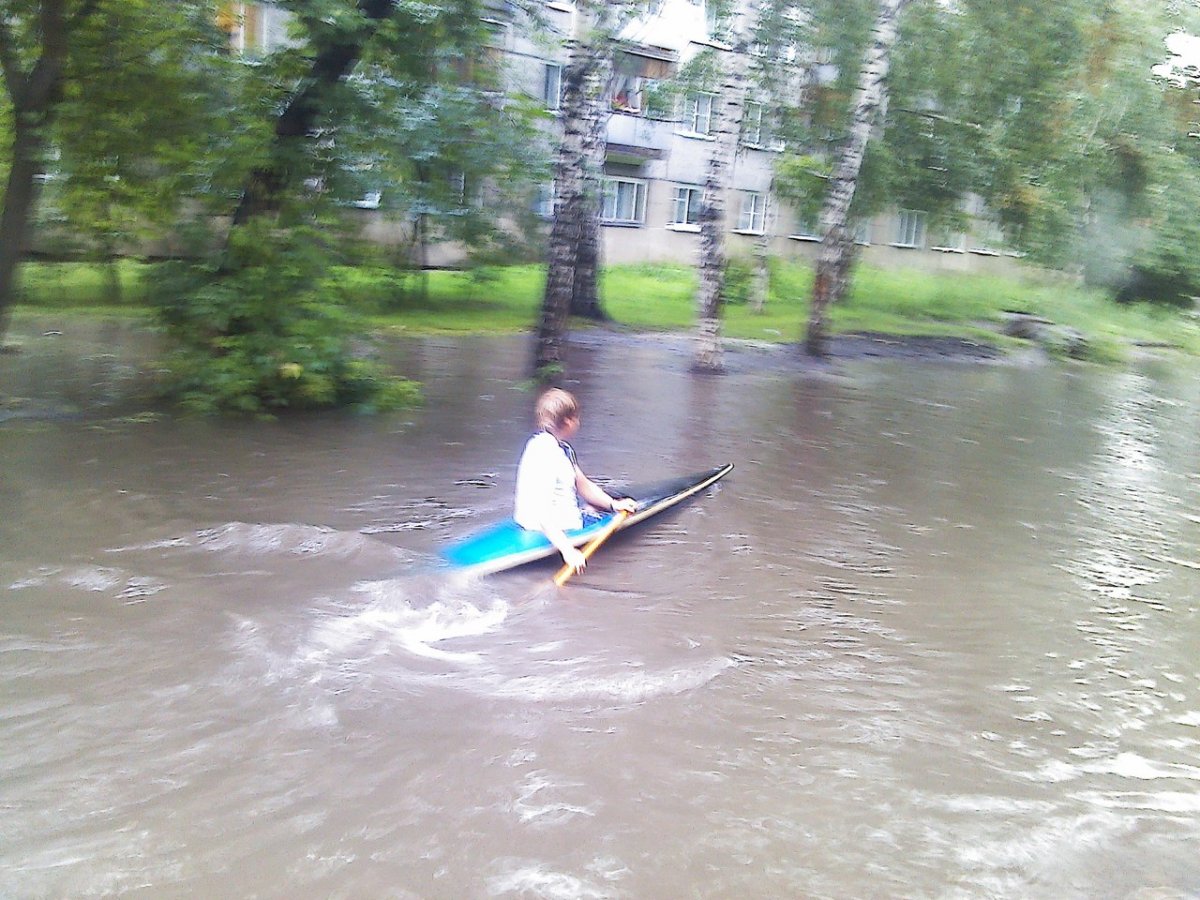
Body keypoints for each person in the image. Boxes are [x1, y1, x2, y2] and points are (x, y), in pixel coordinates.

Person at [514, 388, 637, 574]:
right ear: (568, 422)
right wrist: (568, 551)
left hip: (528, 522)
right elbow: (542, 511)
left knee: (594, 506)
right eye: (576, 418)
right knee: (593, 512)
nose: (578, 422)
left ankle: (599, 508)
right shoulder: (549, 454)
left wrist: (613, 505)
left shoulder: (549, 446)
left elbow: (583, 484)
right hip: (554, 527)